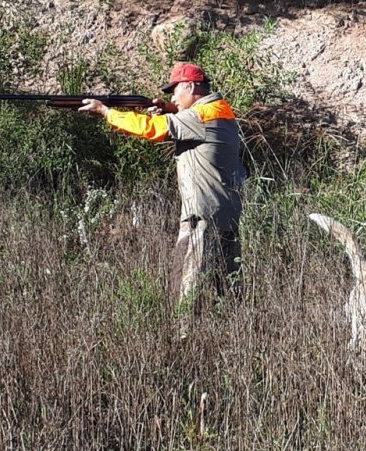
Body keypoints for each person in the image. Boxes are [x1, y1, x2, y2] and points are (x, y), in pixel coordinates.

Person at [80, 62, 247, 336]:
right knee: (224, 292)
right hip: (225, 218)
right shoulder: (221, 112)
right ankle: (229, 343)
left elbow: (150, 129)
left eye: (175, 91)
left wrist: (106, 112)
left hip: (201, 221)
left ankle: (184, 345)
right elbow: (191, 120)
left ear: (191, 87)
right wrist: (172, 110)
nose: (171, 97)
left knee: (187, 292)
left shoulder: (199, 118)